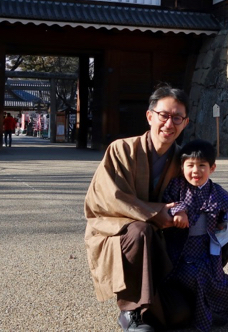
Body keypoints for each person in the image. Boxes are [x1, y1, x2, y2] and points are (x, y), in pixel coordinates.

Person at [84, 85, 193, 332]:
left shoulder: (181, 160)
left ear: (185, 123)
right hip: (116, 231)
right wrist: (156, 213)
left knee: (181, 316)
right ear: (150, 116)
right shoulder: (121, 149)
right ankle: (131, 311)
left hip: (160, 240)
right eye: (164, 115)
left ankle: (216, 293)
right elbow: (111, 197)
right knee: (140, 230)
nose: (169, 124)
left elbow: (200, 194)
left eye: (177, 118)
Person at [162, 139, 228, 332]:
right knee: (192, 277)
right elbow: (165, 203)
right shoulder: (176, 187)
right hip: (180, 252)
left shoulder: (217, 193)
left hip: (207, 251)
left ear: (212, 168)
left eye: (202, 165)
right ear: (181, 166)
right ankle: (210, 313)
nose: (196, 171)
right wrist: (178, 210)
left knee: (217, 280)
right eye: (190, 165)